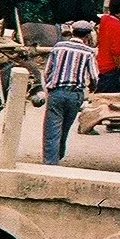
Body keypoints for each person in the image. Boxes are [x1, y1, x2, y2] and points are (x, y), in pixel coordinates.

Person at [40, 20, 98, 164]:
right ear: (87, 36)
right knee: (65, 128)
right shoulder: (88, 52)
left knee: (52, 129)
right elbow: (95, 77)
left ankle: (50, 163)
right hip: (75, 95)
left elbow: (47, 72)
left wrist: (48, 87)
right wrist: (92, 88)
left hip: (56, 93)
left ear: (72, 32)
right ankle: (58, 155)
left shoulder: (58, 47)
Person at [95, 0, 120, 93]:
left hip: (101, 61)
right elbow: (116, 50)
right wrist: (118, 66)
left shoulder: (105, 19)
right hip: (110, 66)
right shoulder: (117, 25)